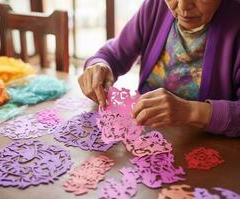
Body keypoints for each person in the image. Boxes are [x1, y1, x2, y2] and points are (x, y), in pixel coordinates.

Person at [78, 0, 240, 137]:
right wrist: (99, 65)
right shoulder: (155, 6)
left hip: (209, 151)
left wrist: (191, 112)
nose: (183, 7)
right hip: (145, 137)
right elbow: (114, 54)